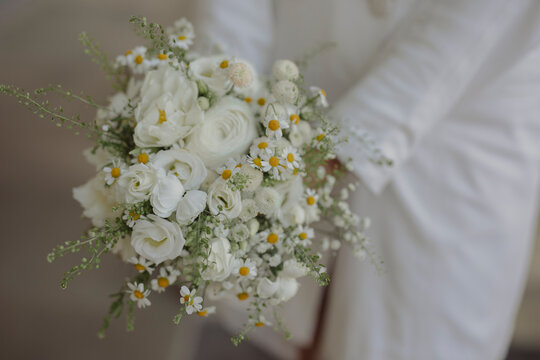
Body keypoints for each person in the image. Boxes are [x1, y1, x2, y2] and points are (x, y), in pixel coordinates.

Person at [178, 1, 540, 359]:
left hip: (452, 137)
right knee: (281, 327)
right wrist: (220, 97)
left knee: (405, 335)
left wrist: (331, 149)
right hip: (291, 88)